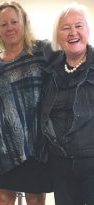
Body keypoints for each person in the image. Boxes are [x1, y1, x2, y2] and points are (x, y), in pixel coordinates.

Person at [0, 2, 58, 205]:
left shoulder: (42, 52)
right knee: (5, 198)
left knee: (34, 199)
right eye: (4, 24)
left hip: (37, 143)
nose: (10, 28)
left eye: (14, 22)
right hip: (4, 145)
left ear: (24, 22)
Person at [41, 3, 94, 205]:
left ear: (88, 30)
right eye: (65, 28)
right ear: (58, 35)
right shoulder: (50, 70)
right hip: (60, 163)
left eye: (79, 26)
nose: (73, 32)